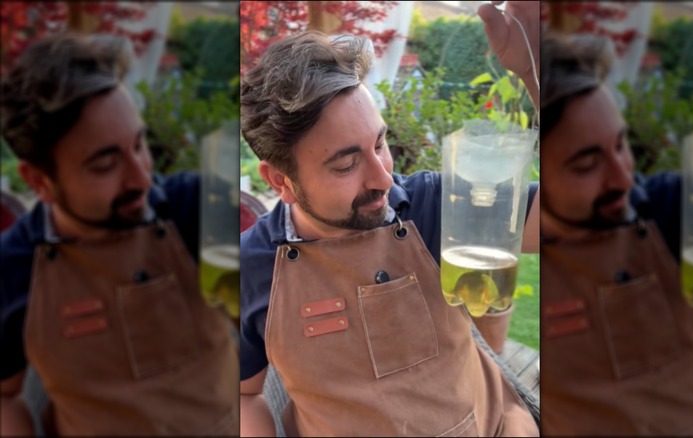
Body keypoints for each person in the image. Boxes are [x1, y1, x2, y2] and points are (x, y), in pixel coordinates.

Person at [238, 1, 541, 436]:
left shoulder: (432, 206)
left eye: (379, 144)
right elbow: (245, 393)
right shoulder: (250, 267)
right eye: (346, 165)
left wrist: (540, 78)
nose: (384, 177)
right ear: (280, 181)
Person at [537, 3, 693, 434]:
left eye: (621, 145)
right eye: (586, 164)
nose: (624, 176)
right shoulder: (523, 236)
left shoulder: (667, 207)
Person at [0, 33, 239, 436]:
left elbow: (258, 336)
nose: (141, 176)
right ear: (39, 181)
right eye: (105, 164)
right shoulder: (13, 267)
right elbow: (5, 395)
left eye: (139, 144)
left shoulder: (200, 209)